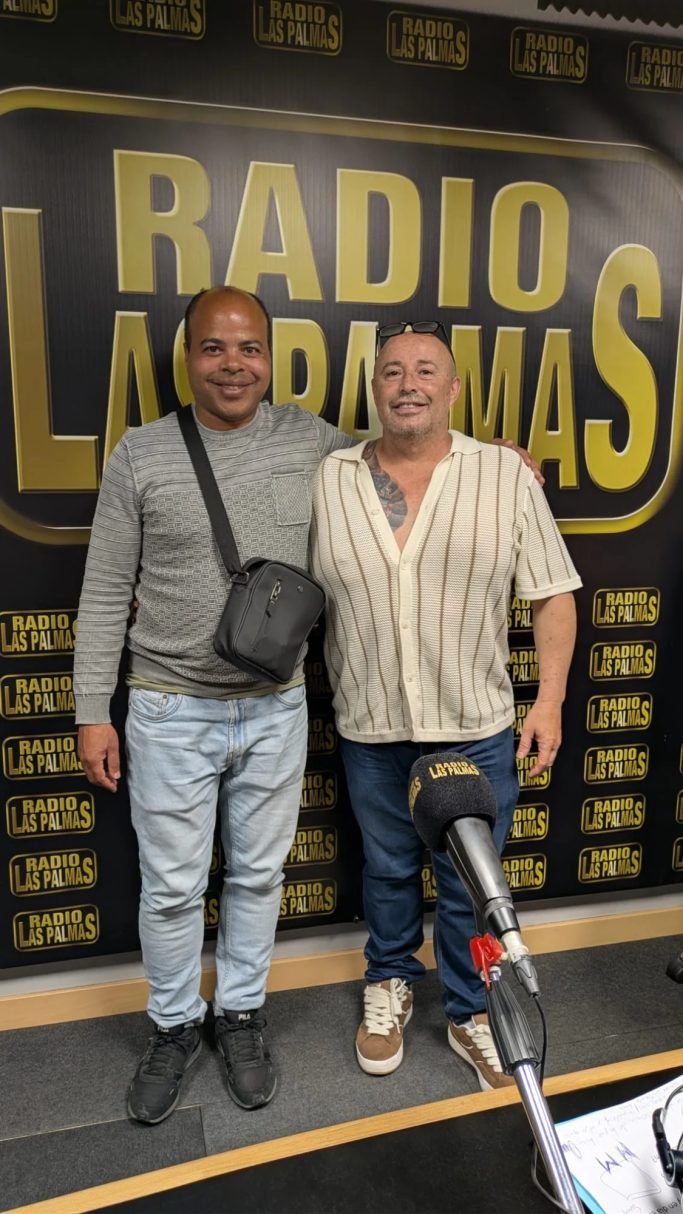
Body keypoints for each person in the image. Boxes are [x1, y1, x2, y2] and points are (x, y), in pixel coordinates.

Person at [73, 286, 353, 1125]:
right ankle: (171, 1027)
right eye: (214, 349)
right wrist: (93, 709)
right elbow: (102, 589)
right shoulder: (142, 454)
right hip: (167, 708)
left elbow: (406, 458)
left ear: (270, 356)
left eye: (249, 349)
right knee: (170, 890)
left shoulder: (313, 441)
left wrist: (494, 457)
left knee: (260, 877)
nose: (233, 365)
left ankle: (239, 1017)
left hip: (275, 707)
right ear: (188, 356)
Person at [309, 320, 581, 1090]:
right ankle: (389, 982)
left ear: (453, 389)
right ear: (374, 389)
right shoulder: (327, 474)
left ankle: (468, 1012)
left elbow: (553, 596)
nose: (408, 383)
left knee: (469, 885)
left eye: (425, 370)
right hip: (370, 724)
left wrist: (550, 701)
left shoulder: (501, 474)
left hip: (475, 726)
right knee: (388, 870)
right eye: (392, 371)